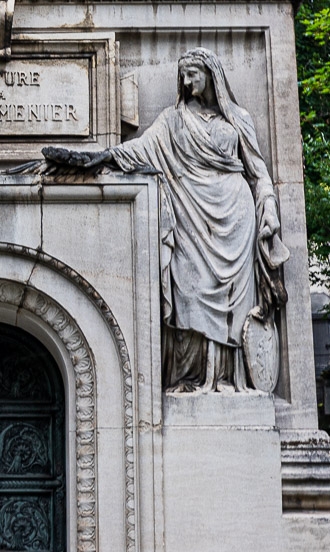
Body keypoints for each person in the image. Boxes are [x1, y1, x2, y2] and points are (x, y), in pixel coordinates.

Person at [44, 47, 284, 392]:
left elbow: (259, 172)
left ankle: (225, 381)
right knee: (190, 292)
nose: (186, 82)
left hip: (235, 216)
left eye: (192, 74)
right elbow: (138, 149)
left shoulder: (238, 119)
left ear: (210, 74)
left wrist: (270, 209)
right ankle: (194, 378)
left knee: (233, 304)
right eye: (182, 75)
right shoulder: (173, 120)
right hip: (189, 215)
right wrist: (98, 158)